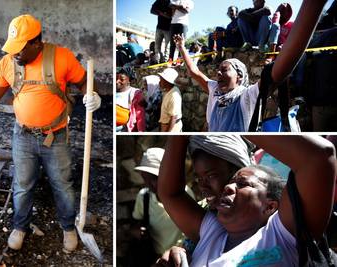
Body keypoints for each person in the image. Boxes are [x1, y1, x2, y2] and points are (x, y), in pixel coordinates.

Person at [0, 14, 102, 252]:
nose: (14, 53)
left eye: (20, 48)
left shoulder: (61, 58)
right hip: (23, 136)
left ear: (37, 43)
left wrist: (92, 94)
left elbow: (85, 80)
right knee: (23, 184)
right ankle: (20, 226)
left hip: (55, 137)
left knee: (62, 185)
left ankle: (68, 227)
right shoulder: (7, 63)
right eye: (12, 47)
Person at [158, 135, 336, 266]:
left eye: (242, 184)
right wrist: (180, 136)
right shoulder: (212, 231)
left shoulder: (280, 234)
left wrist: (234, 126)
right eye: (231, 182)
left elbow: (319, 156)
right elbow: (170, 194)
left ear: (270, 206)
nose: (229, 188)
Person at [173, 0, 327, 132]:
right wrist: (181, 47)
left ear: (239, 76)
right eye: (219, 70)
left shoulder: (248, 96)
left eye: (224, 70)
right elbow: (194, 71)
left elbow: (281, 69)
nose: (218, 73)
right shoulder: (214, 90)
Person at [130, 147, 193, 266]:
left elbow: (194, 230)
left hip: (180, 258)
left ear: (167, 174)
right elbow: (135, 224)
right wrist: (137, 232)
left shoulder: (184, 194)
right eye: (146, 178)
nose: (150, 184)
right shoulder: (144, 197)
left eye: (154, 178)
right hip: (154, 258)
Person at [157, 68, 182, 132]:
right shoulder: (168, 91)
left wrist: (167, 134)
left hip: (171, 127)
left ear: (167, 81)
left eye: (161, 80)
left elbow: (174, 117)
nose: (159, 82)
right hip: (166, 125)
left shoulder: (173, 95)